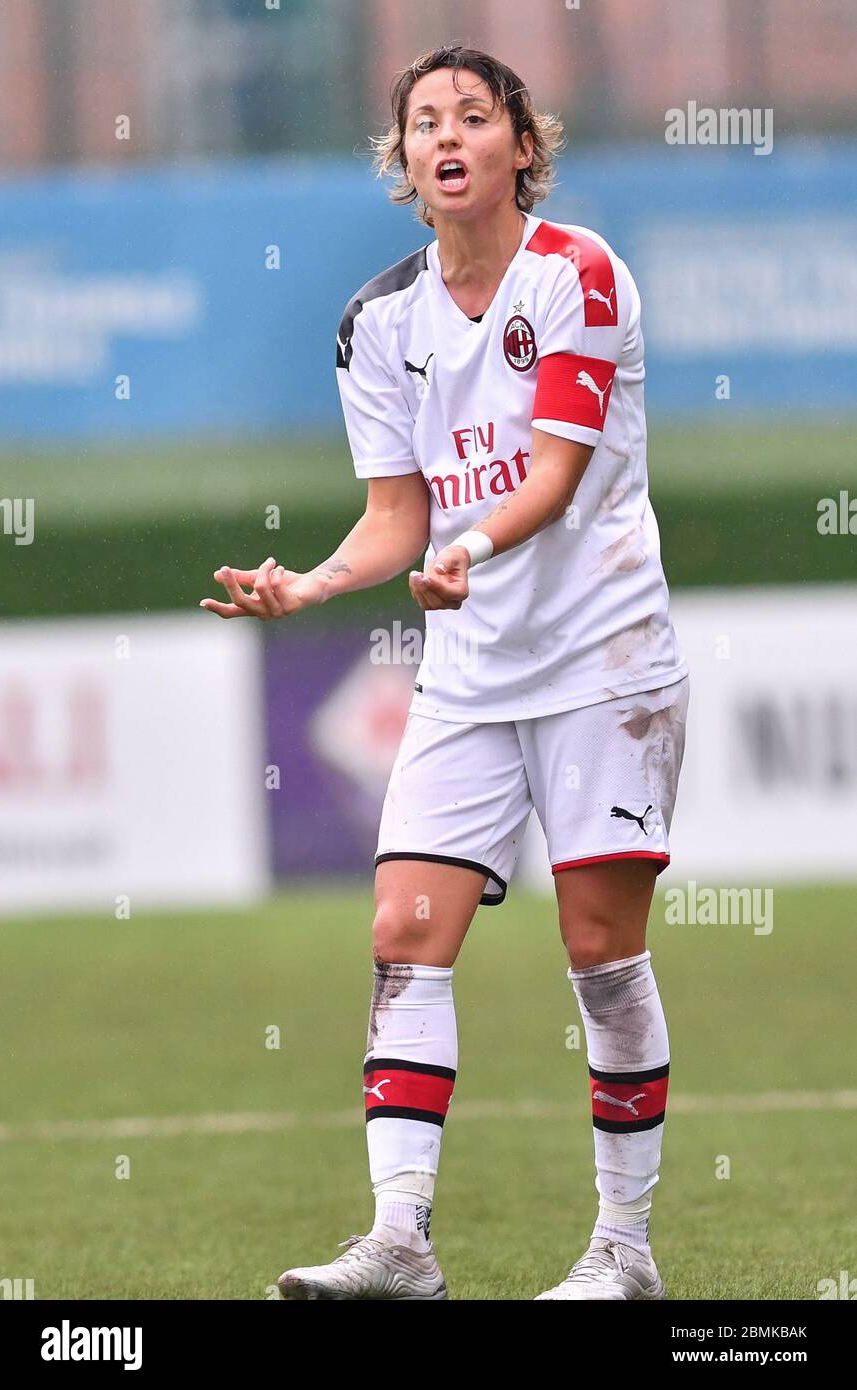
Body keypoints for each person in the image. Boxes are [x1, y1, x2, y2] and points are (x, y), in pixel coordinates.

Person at [201, 43, 689, 1301]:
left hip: (602, 658)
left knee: (599, 953)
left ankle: (622, 1253)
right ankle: (400, 1241)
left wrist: (462, 545)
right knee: (403, 933)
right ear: (403, 164)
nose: (449, 135)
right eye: (425, 122)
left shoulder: (577, 273)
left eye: (477, 115)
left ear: (522, 146)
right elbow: (394, 516)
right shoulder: (378, 322)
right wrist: (309, 583)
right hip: (469, 673)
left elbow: (552, 476)